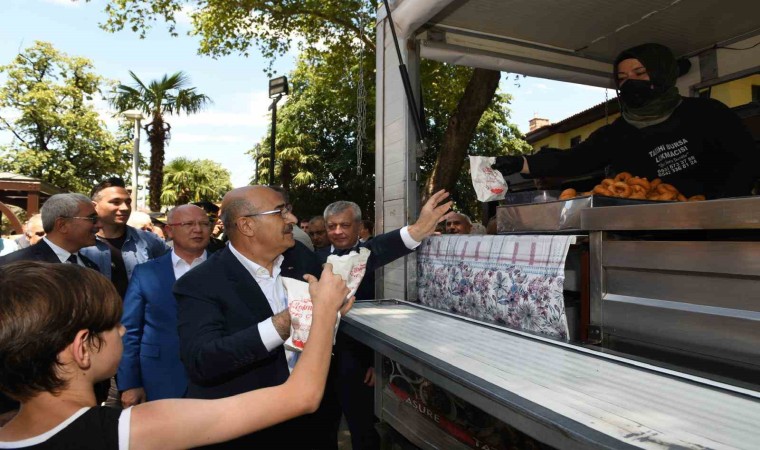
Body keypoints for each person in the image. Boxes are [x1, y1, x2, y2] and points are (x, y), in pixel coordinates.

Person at [0, 261, 352, 450]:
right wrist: (323, 311)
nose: (122, 331)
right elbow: (301, 397)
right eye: (112, 325)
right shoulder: (135, 429)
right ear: (82, 348)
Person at [492, 43, 759, 199]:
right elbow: (575, 159)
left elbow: (747, 160)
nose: (630, 82)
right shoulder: (619, 132)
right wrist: (522, 163)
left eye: (640, 73)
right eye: (622, 78)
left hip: (714, 230)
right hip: (642, 236)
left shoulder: (706, 113)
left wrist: (719, 207)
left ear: (662, 74)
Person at [174, 186, 327, 448]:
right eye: (280, 212)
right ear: (246, 225)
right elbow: (202, 360)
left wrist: (333, 308)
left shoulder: (300, 258)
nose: (291, 219)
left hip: (309, 423)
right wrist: (284, 323)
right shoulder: (199, 283)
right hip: (244, 429)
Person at [315, 190, 452, 450]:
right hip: (319, 363)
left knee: (363, 429)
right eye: (331, 226)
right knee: (322, 429)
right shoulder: (313, 258)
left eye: (345, 225)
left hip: (358, 362)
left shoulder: (367, 254)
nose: (338, 231)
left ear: (359, 227)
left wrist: (374, 363)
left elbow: (384, 246)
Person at [117, 205, 216, 407]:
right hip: (159, 379)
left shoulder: (225, 268)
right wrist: (130, 383)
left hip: (217, 379)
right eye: (188, 224)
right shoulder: (146, 273)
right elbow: (130, 331)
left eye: (204, 224)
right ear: (169, 230)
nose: (198, 229)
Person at [80, 177, 169, 282]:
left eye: (128, 202)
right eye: (116, 202)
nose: (125, 208)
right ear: (94, 206)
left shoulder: (150, 240)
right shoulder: (79, 243)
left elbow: (172, 270)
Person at [0, 194, 100, 270]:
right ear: (62, 225)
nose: (99, 225)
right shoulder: (12, 266)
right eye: (92, 219)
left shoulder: (91, 267)